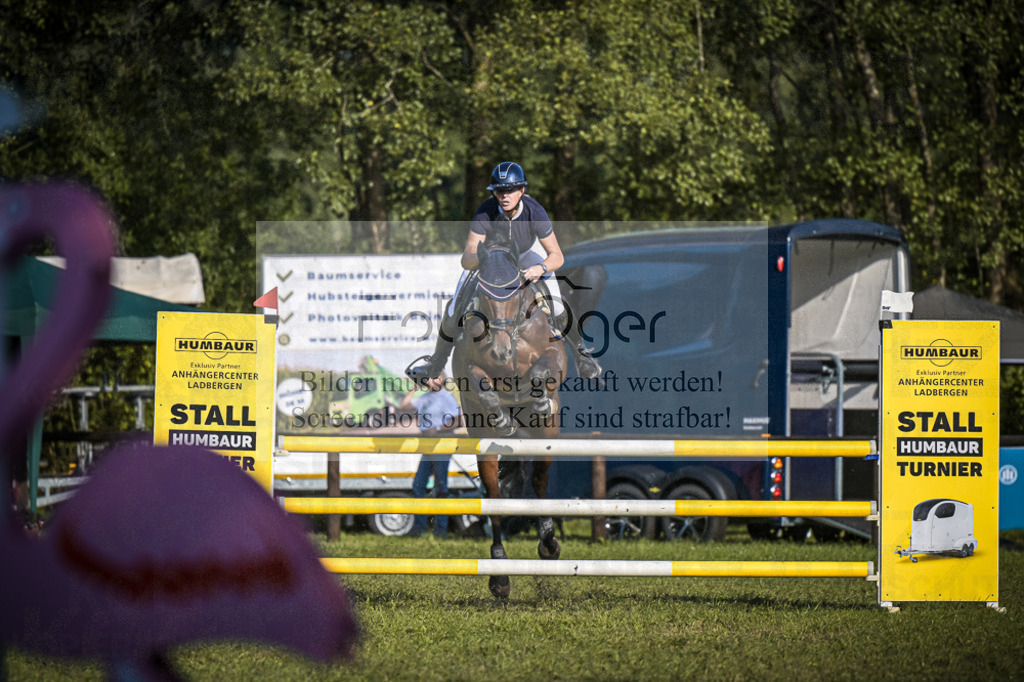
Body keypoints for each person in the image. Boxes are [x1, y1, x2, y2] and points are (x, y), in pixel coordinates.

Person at [406, 161, 602, 383]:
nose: (504, 196)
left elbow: (557, 256)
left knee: (557, 304)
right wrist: (484, 258)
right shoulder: (485, 212)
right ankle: (435, 364)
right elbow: (466, 259)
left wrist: (540, 268)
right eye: (500, 191)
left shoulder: (534, 211)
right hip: (492, 258)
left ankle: (582, 354)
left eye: (510, 190)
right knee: (453, 308)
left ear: (522, 191)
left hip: (526, 254)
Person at [399, 373, 461, 537]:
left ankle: (441, 531)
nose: (430, 381)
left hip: (442, 446)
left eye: (434, 378)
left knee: (440, 488)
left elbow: (458, 420)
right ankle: (419, 528)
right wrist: (414, 389)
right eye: (428, 378)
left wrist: (439, 428)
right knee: (418, 486)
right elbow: (403, 406)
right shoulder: (424, 398)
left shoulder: (446, 397)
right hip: (427, 447)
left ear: (441, 379)